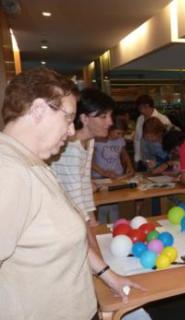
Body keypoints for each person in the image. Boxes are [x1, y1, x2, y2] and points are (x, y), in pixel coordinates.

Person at [0, 68, 140, 319]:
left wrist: (109, 276)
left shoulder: (34, 164)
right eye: (68, 118)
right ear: (39, 109)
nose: (71, 131)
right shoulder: (8, 171)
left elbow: (69, 239)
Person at [50, 87, 114, 226]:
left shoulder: (88, 140)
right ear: (84, 118)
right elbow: (74, 200)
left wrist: (93, 222)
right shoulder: (71, 148)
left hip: (72, 215)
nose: (110, 122)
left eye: (110, 116)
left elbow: (84, 185)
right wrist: (90, 232)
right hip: (60, 219)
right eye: (103, 116)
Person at [92, 117, 135, 223]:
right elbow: (89, 161)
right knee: (102, 204)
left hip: (116, 176)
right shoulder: (98, 140)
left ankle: (115, 228)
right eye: (118, 133)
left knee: (114, 204)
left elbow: (124, 153)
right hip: (99, 177)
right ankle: (103, 229)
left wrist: (129, 166)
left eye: (122, 134)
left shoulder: (120, 140)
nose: (120, 136)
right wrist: (103, 172)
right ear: (110, 129)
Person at [133, 94, 172, 170]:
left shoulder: (163, 119)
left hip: (164, 159)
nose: (142, 111)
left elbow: (170, 143)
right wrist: (137, 158)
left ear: (150, 106)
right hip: (146, 157)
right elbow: (137, 139)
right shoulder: (140, 119)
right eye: (140, 108)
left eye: (144, 108)